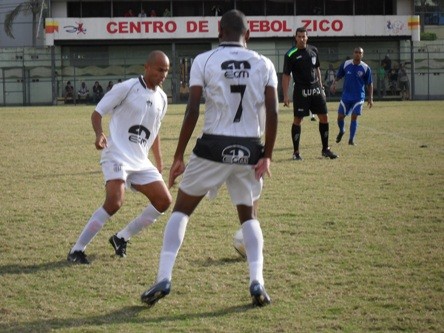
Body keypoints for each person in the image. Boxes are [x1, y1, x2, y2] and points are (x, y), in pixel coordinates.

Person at [140, 9, 278, 308]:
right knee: (249, 217)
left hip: (212, 147)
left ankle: (164, 277)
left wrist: (178, 156)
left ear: (220, 32)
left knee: (182, 212)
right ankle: (257, 281)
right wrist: (266, 155)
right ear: (248, 34)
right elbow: (274, 112)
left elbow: (192, 110)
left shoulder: (204, 60)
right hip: (249, 150)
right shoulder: (264, 63)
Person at [67, 51, 172, 264]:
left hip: (140, 160)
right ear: (147, 67)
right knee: (114, 202)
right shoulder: (126, 88)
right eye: (160, 69)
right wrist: (99, 134)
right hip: (116, 153)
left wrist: (159, 162)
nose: (163, 75)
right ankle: (77, 250)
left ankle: (121, 237)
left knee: (164, 201)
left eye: (166, 71)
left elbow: (155, 131)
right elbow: (97, 112)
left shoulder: (162, 98)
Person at [282, 27, 338, 161]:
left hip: (316, 89)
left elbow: (317, 68)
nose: (302, 39)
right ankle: (296, 152)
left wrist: (320, 86)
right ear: (295, 38)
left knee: (324, 117)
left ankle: (325, 149)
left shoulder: (313, 50)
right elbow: (286, 76)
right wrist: (285, 95)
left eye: (304, 36)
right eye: (299, 36)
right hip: (301, 91)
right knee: (298, 120)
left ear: (307, 37)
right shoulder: (290, 54)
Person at [330, 47, 373, 146]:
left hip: (358, 97)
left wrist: (370, 98)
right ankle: (342, 130)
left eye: (360, 53)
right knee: (340, 117)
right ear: (353, 53)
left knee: (354, 117)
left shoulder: (366, 68)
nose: (358, 54)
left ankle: (351, 140)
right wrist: (333, 83)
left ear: (362, 55)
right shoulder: (346, 64)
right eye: (356, 52)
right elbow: (339, 76)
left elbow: (370, 84)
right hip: (346, 96)